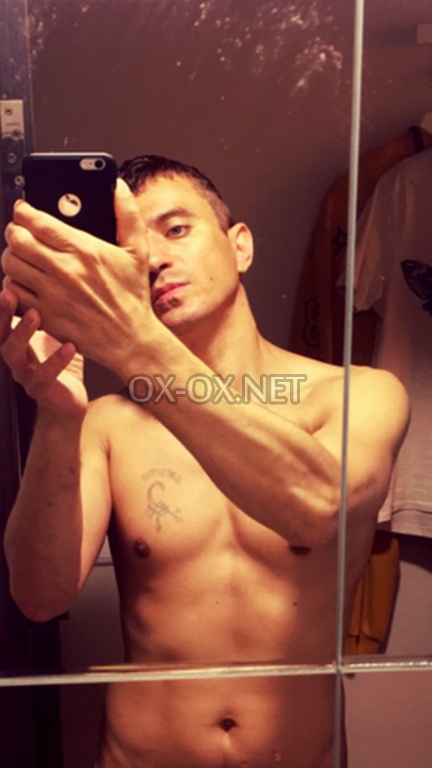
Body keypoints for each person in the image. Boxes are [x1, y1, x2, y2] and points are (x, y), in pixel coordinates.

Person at [0, 155, 409, 768]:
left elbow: (317, 507)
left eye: (176, 229)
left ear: (239, 245)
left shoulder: (359, 395)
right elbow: (39, 596)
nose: (154, 259)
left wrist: (133, 344)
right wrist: (57, 419)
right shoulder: (107, 423)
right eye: (134, 246)